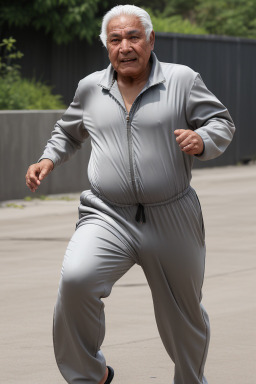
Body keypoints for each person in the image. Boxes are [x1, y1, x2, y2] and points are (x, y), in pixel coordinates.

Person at [25, 5, 235, 384]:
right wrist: (47, 158)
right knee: (76, 279)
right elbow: (68, 131)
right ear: (106, 46)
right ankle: (90, 376)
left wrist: (201, 138)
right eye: (115, 39)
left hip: (171, 214)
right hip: (108, 214)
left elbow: (221, 122)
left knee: (183, 316)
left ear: (151, 41)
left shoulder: (182, 80)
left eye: (134, 37)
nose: (125, 46)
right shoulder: (91, 87)